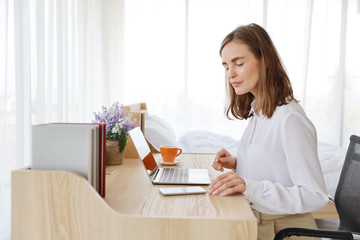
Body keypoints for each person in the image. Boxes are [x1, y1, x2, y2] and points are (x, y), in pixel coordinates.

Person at [209, 23, 328, 239]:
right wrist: (239, 162)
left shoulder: (289, 118)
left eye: (239, 63)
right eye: (226, 66)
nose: (230, 74)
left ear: (265, 61)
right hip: (258, 220)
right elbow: (277, 162)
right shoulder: (260, 110)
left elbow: (316, 196)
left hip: (285, 231)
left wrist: (248, 186)